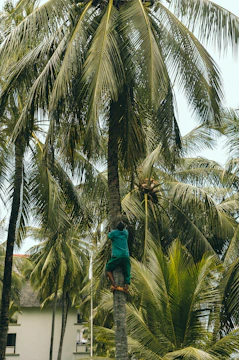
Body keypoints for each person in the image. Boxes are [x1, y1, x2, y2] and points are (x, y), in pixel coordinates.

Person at [106, 221, 131, 293]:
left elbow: (109, 236)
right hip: (125, 255)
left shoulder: (114, 233)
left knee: (108, 269)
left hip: (117, 256)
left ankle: (114, 284)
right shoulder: (126, 233)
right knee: (127, 271)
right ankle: (126, 286)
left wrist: (109, 231)